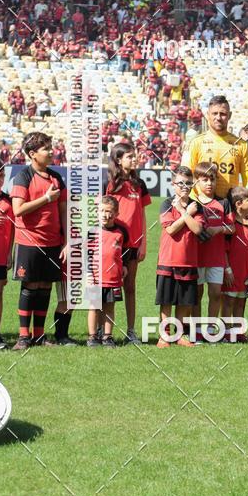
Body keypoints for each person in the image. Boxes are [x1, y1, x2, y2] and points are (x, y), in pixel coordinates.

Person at [10, 132, 67, 350]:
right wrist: (46, 198)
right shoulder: (23, 177)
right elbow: (18, 210)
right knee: (30, 286)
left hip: (52, 242)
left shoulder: (56, 177)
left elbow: (63, 210)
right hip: (29, 242)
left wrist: (66, 240)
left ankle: (39, 335)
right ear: (33, 154)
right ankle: (23, 337)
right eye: (46, 149)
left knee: (45, 286)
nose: (52, 152)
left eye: (51, 147)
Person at [106, 141, 151, 344]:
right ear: (118, 159)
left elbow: (142, 215)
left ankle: (131, 331)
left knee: (130, 287)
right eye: (130, 156)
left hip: (133, 244)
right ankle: (103, 332)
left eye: (135, 156)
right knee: (107, 288)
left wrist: (143, 243)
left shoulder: (139, 184)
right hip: (111, 244)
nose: (134, 159)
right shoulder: (108, 183)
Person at [155, 167, 204, 348]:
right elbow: (170, 229)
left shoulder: (196, 206)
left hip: (189, 261)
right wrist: (186, 214)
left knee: (185, 302)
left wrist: (184, 211)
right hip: (168, 259)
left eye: (188, 183)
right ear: (173, 184)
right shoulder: (166, 204)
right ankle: (165, 335)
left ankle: (180, 335)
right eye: (181, 183)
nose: (185, 186)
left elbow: (197, 229)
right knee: (166, 301)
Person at [182, 95, 248, 208]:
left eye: (223, 114)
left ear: (229, 115)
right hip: (202, 207)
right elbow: (188, 176)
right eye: (214, 113)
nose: (218, 117)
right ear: (208, 115)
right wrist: (193, 203)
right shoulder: (197, 142)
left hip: (230, 207)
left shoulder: (241, 144)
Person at [193, 162, 234, 338]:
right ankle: (196, 330)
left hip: (216, 257)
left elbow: (232, 228)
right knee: (197, 294)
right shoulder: (192, 203)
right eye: (205, 180)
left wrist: (218, 229)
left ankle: (210, 329)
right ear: (196, 181)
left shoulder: (223, 203)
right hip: (196, 256)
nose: (209, 183)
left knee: (216, 293)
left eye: (212, 179)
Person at [87, 197, 128, 348]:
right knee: (94, 307)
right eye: (102, 211)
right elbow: (86, 254)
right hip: (96, 278)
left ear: (116, 213)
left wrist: (124, 266)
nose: (105, 215)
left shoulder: (121, 232)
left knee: (110, 307)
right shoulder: (92, 231)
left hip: (113, 278)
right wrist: (88, 273)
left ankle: (107, 336)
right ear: (97, 212)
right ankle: (92, 336)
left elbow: (126, 250)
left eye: (109, 211)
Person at [222, 186, 248, 341]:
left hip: (247, 272)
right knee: (229, 301)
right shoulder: (230, 225)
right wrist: (227, 270)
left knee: (241, 302)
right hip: (232, 273)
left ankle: (238, 332)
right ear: (238, 204)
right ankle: (226, 332)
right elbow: (224, 250)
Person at [0, 157, 13, 349]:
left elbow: (14, 229)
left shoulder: (8, 200)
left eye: (1, 175)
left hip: (0, 256)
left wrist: (10, 253)